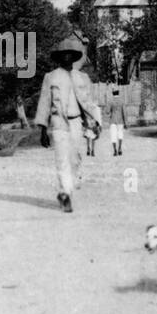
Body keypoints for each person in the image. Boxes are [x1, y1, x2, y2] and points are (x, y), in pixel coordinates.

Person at [35, 35, 102, 213]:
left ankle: (67, 190)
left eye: (70, 54)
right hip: (58, 124)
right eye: (63, 54)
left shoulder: (82, 78)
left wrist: (95, 123)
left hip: (77, 123)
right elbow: (44, 102)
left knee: (75, 159)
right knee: (62, 159)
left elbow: (89, 103)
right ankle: (65, 193)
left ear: (74, 57)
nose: (67, 57)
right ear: (59, 57)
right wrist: (42, 129)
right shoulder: (51, 77)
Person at [106, 86, 127, 156]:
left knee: (113, 135)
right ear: (118, 93)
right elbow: (124, 112)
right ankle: (120, 148)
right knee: (120, 134)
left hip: (113, 121)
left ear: (112, 93)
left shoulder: (110, 101)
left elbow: (107, 111)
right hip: (120, 121)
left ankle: (115, 150)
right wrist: (125, 122)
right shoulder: (122, 101)